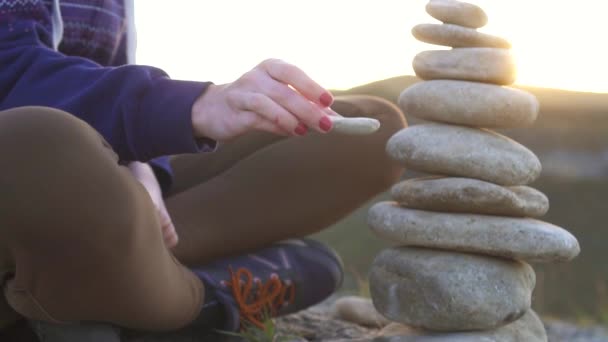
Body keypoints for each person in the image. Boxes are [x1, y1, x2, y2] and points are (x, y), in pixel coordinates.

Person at [0, 1, 407, 341]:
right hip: (26, 176)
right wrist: (195, 106)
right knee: (36, 139)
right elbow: (11, 73)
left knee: (373, 127)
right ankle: (196, 298)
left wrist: (143, 169)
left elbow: (104, 89)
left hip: (90, 190)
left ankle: (110, 280)